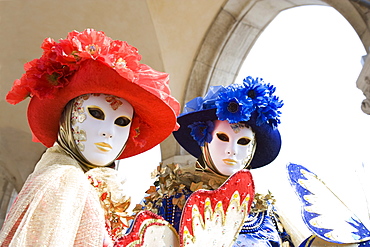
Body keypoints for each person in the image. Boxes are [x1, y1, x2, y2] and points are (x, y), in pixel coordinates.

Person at [0, 29, 180, 246]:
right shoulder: (65, 181)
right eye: (96, 114)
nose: (109, 131)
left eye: (122, 122)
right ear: (66, 119)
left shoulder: (84, 182)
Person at [144, 77, 294, 246]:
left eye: (243, 141)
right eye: (223, 137)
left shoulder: (266, 215)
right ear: (204, 140)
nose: (232, 150)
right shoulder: (170, 203)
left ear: (253, 148)